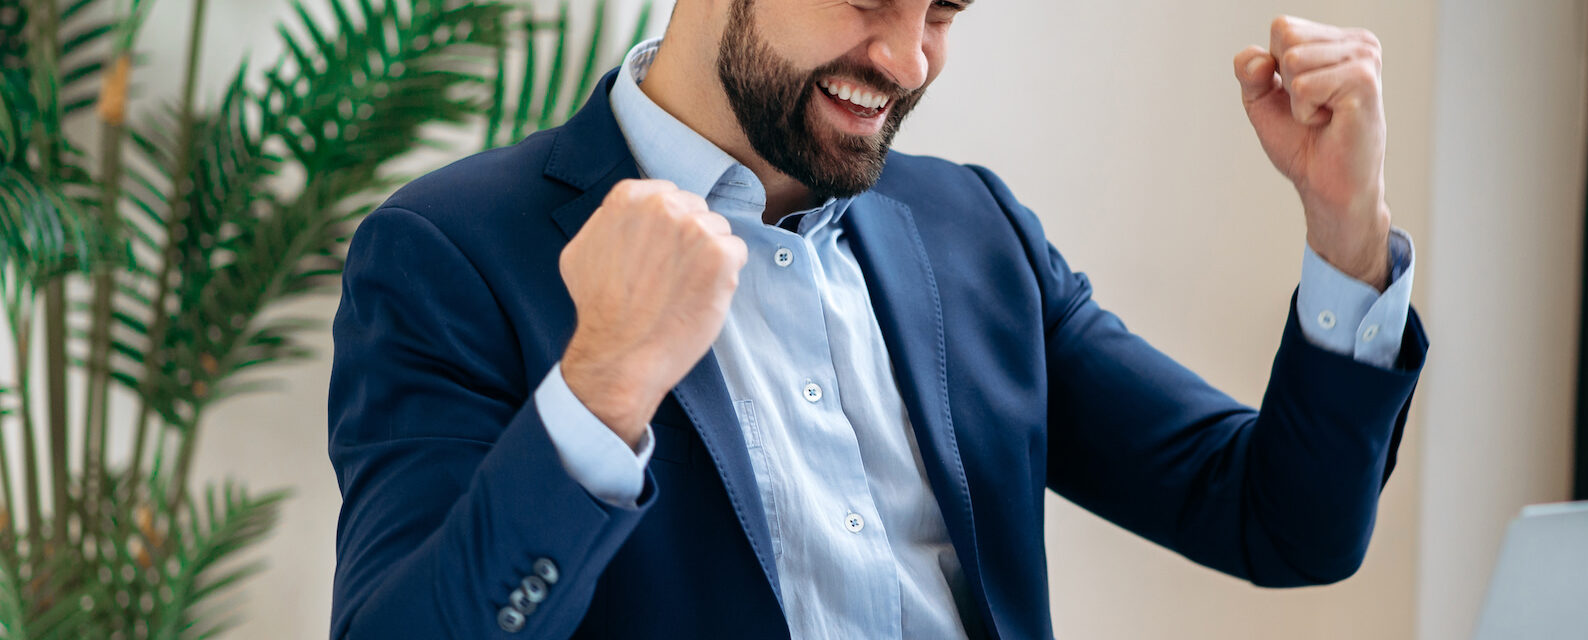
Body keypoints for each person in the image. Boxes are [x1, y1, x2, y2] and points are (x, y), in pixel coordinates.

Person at [326, 0, 1427, 637]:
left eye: (942, 11)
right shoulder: (455, 252)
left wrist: (1346, 230)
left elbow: (1284, 523)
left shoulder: (973, 228)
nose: (906, 62)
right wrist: (601, 387)